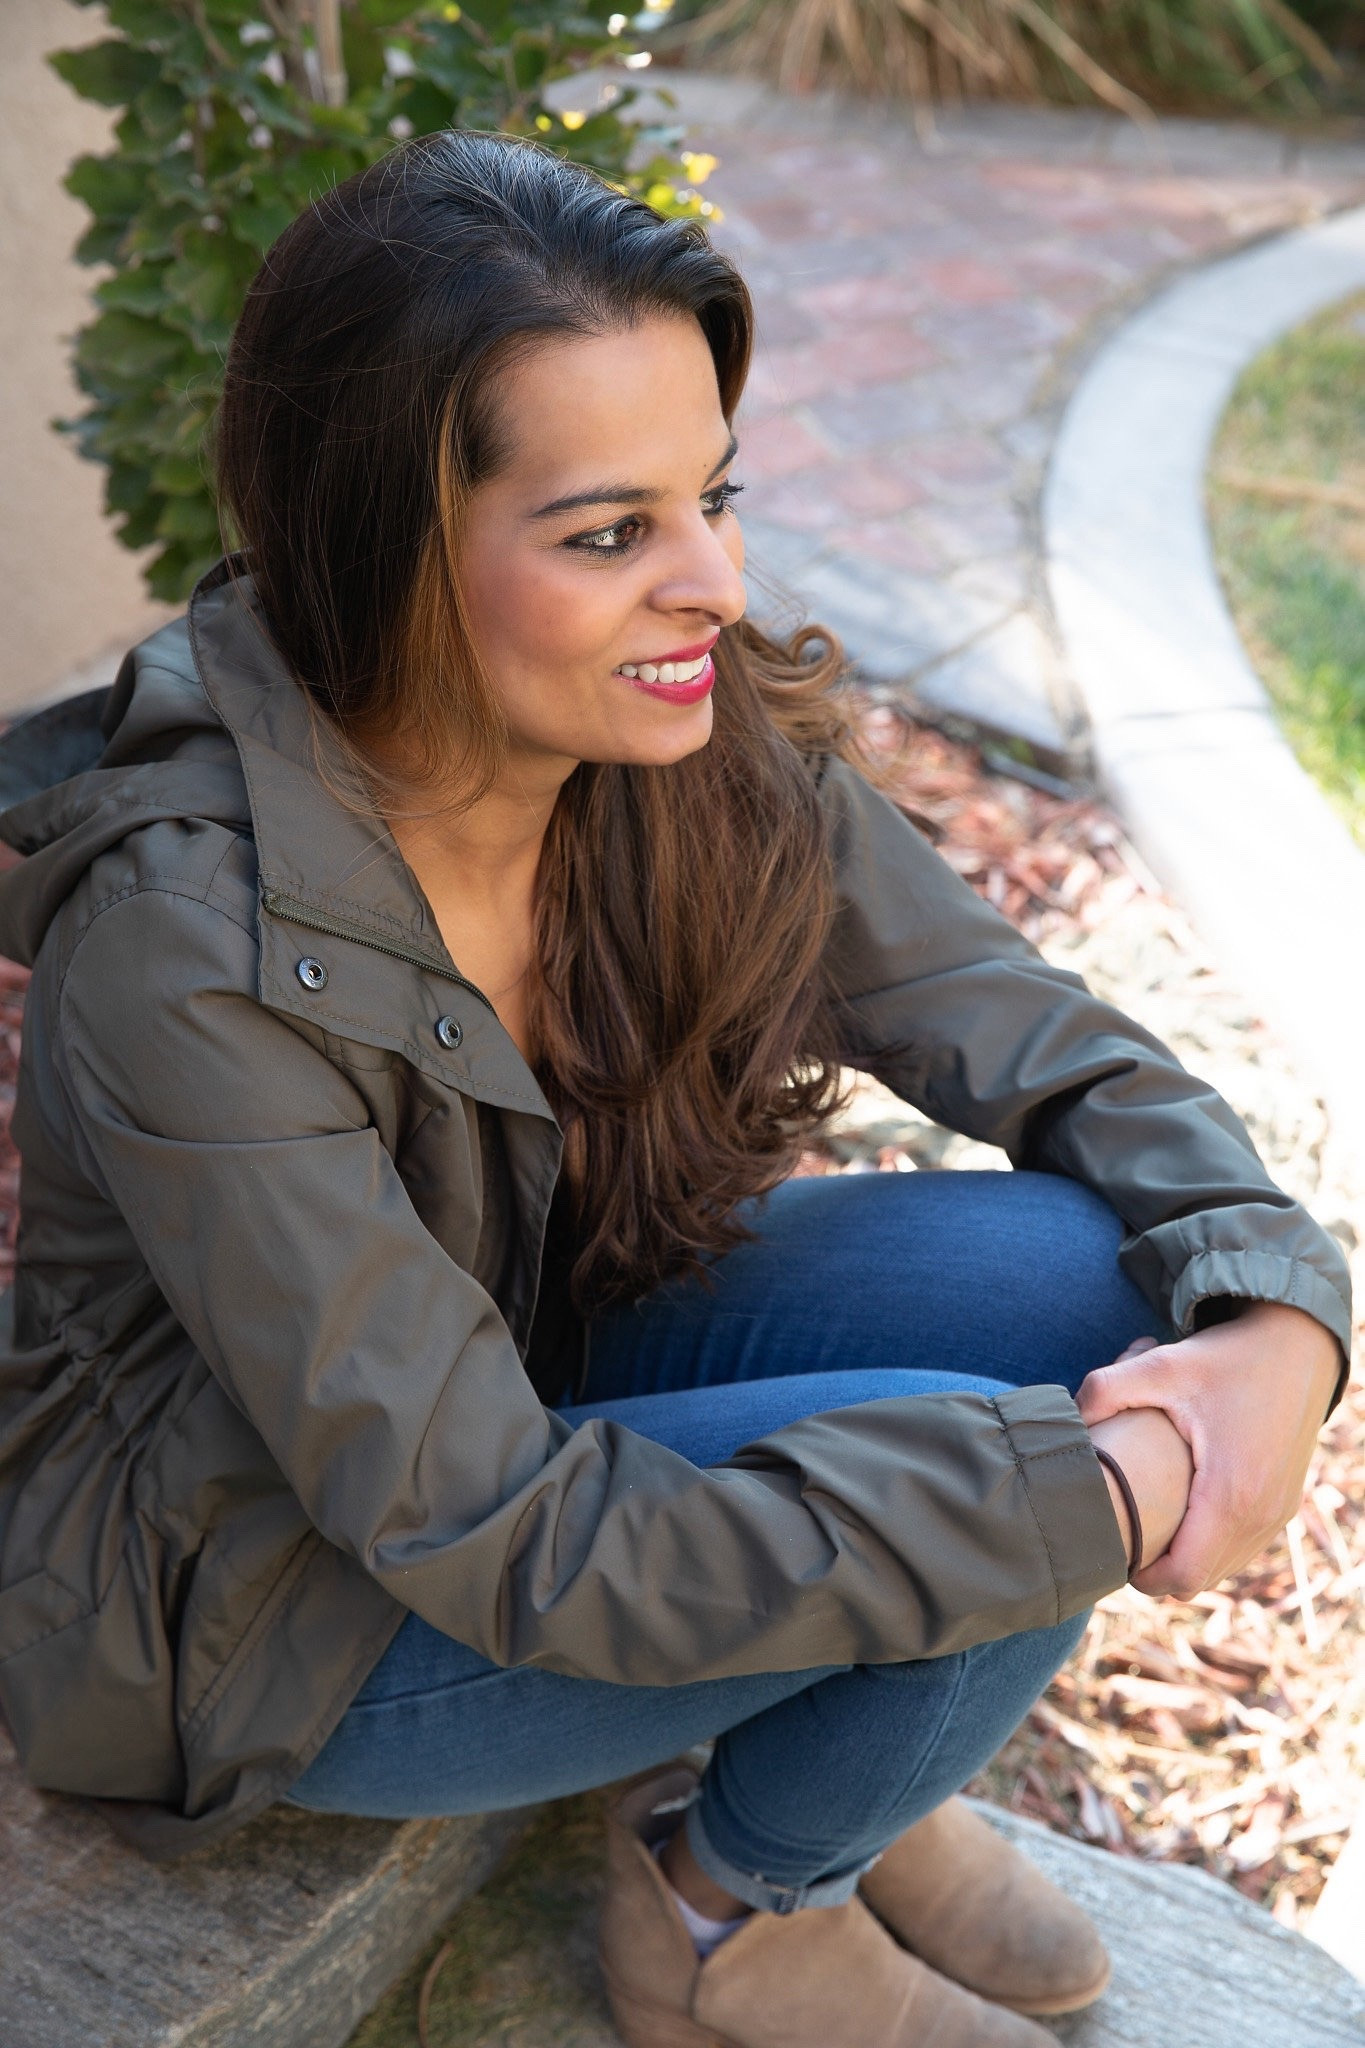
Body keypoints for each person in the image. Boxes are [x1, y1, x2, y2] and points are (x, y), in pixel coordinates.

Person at [0, 131, 1348, 2048]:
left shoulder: (673, 738)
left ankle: (821, 1788)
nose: (710, 584)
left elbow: (1049, 1044)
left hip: (531, 1370)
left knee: (1100, 1289)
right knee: (1019, 1479)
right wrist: (1097, 1495)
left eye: (710, 496)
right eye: (607, 533)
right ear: (385, 550)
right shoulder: (187, 942)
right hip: (274, 1599)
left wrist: (1276, 1310)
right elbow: (488, 1525)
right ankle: (728, 1927)